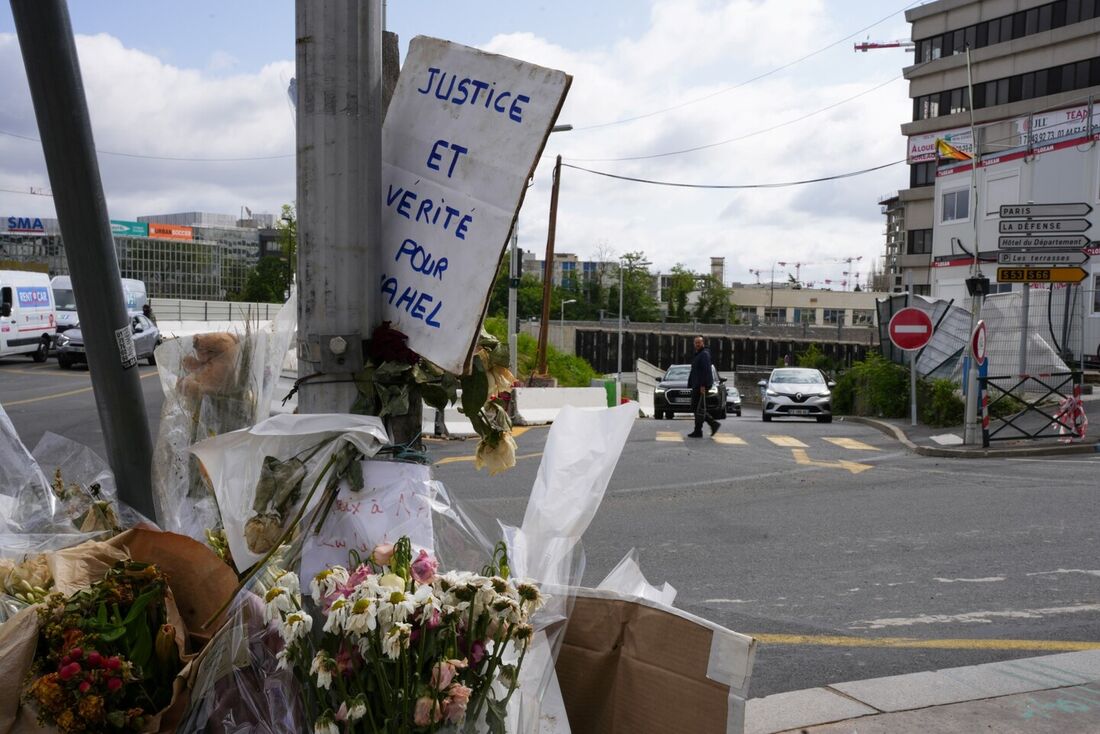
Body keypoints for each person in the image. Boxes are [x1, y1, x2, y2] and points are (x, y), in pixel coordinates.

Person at [687, 335, 720, 438]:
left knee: (697, 408)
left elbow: (706, 371)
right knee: (697, 408)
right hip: (697, 384)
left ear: (703, 343)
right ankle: (699, 430)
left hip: (701, 385)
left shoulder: (704, 354)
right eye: (695, 343)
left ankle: (712, 424)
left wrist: (702, 385)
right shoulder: (698, 354)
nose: (697, 344)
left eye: (699, 342)